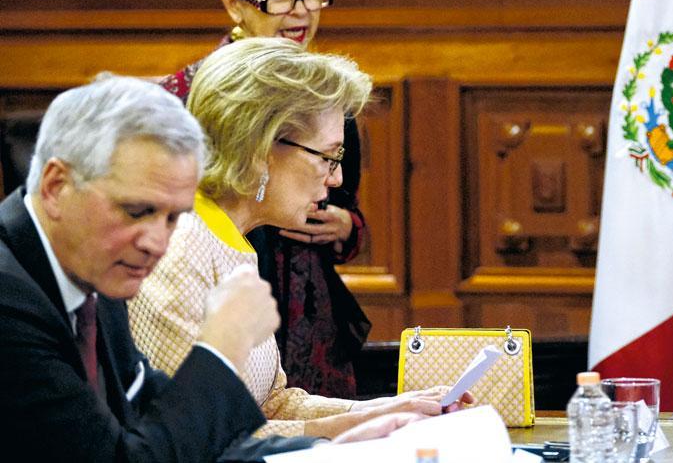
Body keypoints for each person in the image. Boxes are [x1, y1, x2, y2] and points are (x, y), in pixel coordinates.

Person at [0, 76, 414, 462]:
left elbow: (172, 434)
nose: (156, 243)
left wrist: (325, 451)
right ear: (56, 187)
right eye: (137, 211)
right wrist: (221, 348)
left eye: (172, 218)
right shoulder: (9, 301)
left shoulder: (93, 270)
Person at [130, 38, 469, 439]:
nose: (337, 178)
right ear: (260, 147)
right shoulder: (178, 253)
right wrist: (354, 428)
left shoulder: (236, 240)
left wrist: (398, 406)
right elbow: (200, 440)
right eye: (328, 156)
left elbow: (272, 402)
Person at [161, 0, 369, 398]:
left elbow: (349, 207)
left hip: (305, 316)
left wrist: (344, 226)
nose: (299, 11)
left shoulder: (328, 97)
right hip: (212, 291)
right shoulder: (185, 100)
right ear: (235, 5)